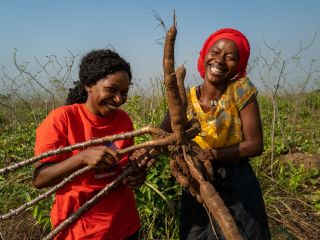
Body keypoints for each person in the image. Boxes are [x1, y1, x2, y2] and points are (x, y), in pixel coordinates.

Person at [160, 28, 271, 239]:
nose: (220, 60)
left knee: (242, 233)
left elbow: (255, 145)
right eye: (215, 52)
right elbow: (162, 135)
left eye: (230, 57)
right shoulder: (186, 97)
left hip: (237, 182)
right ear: (204, 55)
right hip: (197, 179)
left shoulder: (240, 89)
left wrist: (213, 154)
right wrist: (148, 152)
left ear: (238, 65)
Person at [33, 49, 152, 240]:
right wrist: (82, 158)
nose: (119, 99)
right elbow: (40, 178)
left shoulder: (123, 120)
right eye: (111, 90)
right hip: (79, 231)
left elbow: (125, 166)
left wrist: (137, 174)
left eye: (124, 92)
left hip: (125, 226)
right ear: (89, 84)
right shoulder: (62, 119)